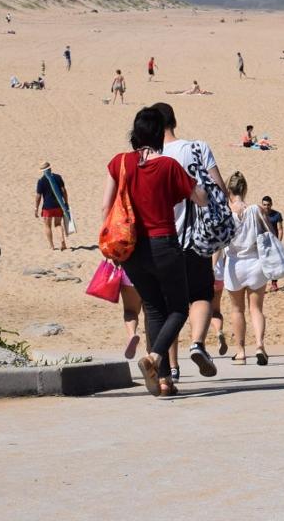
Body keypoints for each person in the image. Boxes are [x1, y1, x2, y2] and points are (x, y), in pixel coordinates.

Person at [100, 107, 207, 396]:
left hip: (131, 250)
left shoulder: (120, 162)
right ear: (160, 133)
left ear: (135, 133)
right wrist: (196, 179)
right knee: (178, 308)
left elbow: (105, 206)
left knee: (153, 308)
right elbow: (201, 199)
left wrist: (109, 243)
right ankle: (156, 357)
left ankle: (163, 381)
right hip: (164, 245)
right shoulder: (169, 165)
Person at [156, 101, 227, 379]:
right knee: (200, 294)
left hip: (161, 238)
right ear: (173, 121)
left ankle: (171, 368)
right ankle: (198, 343)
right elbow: (218, 188)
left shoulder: (149, 157)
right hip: (195, 238)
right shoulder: (196, 148)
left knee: (168, 305)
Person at [218, 172, 269, 365]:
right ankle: (259, 345)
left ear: (228, 190)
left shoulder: (225, 212)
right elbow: (270, 234)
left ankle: (240, 352)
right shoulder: (256, 209)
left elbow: (221, 242)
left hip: (234, 264)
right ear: (244, 189)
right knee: (256, 308)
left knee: (237, 309)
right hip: (255, 262)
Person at [35, 163, 70, 250]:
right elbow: (63, 191)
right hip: (58, 205)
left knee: (47, 226)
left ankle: (51, 246)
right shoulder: (58, 177)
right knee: (58, 224)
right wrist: (66, 202)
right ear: (50, 168)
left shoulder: (41, 181)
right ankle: (62, 241)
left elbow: (38, 196)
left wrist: (36, 208)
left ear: (43, 171)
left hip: (47, 207)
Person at [261, 196, 284, 291]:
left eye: (268, 205)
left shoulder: (277, 215)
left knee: (274, 263)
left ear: (271, 204)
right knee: (262, 264)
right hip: (262, 242)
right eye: (264, 205)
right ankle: (261, 285)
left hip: (273, 242)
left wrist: (278, 242)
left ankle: (274, 283)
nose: (266, 207)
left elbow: (280, 229)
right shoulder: (259, 214)